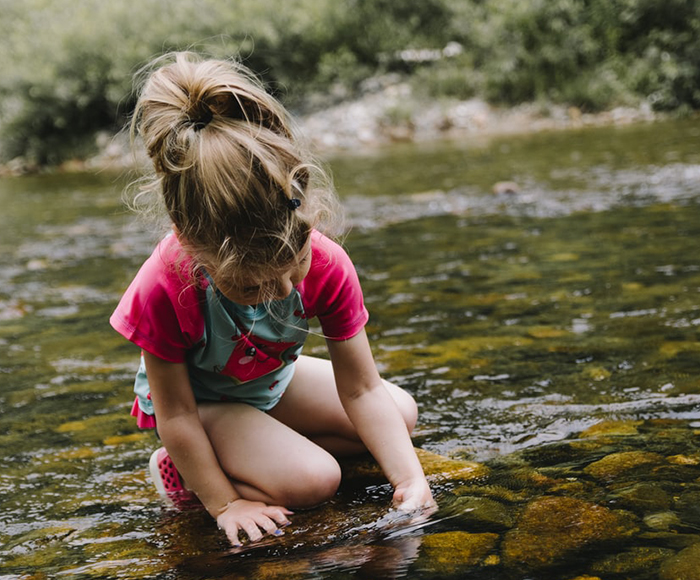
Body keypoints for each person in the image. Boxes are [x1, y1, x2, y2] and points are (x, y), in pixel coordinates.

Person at [110, 52, 435, 547]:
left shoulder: (325, 262)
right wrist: (225, 502)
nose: (283, 293)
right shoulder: (164, 286)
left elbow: (362, 389)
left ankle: (262, 450)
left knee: (400, 414)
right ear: (194, 249)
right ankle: (186, 473)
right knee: (316, 481)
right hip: (203, 407)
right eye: (251, 287)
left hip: (268, 383)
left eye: (293, 269)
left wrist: (411, 481)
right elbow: (174, 414)